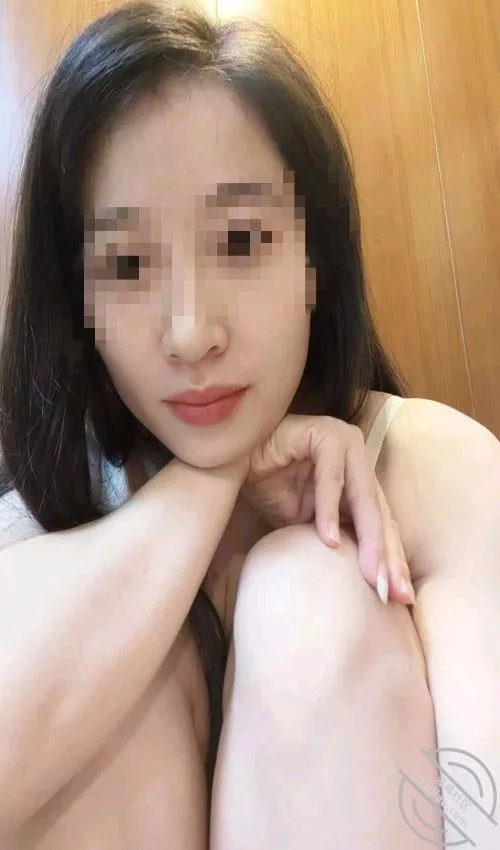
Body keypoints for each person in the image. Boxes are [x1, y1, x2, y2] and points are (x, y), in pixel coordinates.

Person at [0, 2, 498, 848]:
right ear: (80, 304)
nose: (192, 333)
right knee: (109, 660)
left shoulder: (435, 470)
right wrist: (210, 483)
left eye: (239, 242)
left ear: (312, 263)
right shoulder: (38, 524)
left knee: (312, 587)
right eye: (127, 263)